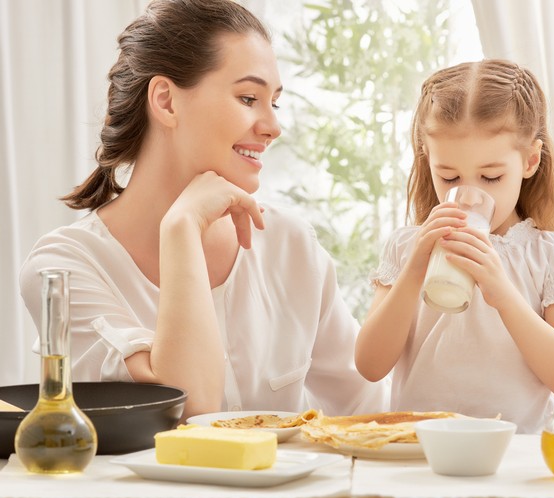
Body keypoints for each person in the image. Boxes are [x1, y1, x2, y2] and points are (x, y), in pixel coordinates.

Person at [19, 0, 387, 419]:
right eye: (249, 97)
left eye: (274, 102)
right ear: (167, 102)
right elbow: (187, 410)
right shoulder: (63, 268)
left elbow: (369, 413)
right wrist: (182, 228)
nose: (273, 127)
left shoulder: (291, 245)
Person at [354, 59, 554, 433]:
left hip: (513, 455)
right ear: (427, 161)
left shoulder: (550, 254)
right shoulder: (406, 247)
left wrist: (502, 293)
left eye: (491, 177)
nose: (469, 194)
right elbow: (369, 365)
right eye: (449, 177)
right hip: (421, 450)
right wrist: (415, 269)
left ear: (530, 160)